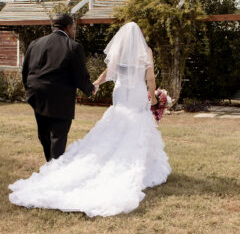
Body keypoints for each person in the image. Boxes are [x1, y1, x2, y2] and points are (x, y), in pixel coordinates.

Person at [9, 22, 171, 217]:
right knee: (137, 126)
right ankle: (140, 167)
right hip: (137, 92)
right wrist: (152, 97)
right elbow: (150, 78)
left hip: (120, 93)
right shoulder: (146, 51)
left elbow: (109, 73)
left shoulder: (118, 50)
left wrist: (95, 83)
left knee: (116, 124)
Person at [21, 14, 95, 162]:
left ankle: (50, 163)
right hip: (60, 99)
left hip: (37, 96)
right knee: (58, 136)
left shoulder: (35, 43)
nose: (73, 32)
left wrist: (30, 91)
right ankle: (53, 171)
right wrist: (90, 89)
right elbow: (80, 76)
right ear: (68, 27)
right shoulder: (73, 47)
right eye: (73, 28)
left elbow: (25, 70)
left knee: (44, 133)